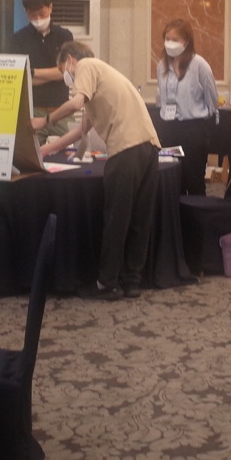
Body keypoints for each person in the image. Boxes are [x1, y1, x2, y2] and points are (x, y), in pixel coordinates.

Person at [32, 42, 160, 299]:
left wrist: (44, 121)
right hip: (149, 148)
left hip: (125, 149)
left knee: (117, 219)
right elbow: (82, 132)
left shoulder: (86, 66)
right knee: (139, 219)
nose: (67, 78)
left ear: (70, 60)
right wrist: (47, 150)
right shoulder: (104, 77)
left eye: (64, 71)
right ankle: (131, 281)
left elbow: (75, 103)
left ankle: (107, 283)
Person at [155, 19, 218, 197]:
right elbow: (161, 97)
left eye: (175, 39)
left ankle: (196, 215)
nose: (170, 43)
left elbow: (212, 99)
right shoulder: (162, 66)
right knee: (172, 180)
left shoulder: (199, 65)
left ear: (186, 41)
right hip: (168, 128)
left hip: (193, 130)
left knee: (194, 181)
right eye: (167, 39)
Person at [9, 0, 74, 134]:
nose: (38, 19)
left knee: (68, 146)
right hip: (32, 110)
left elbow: (67, 71)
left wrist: (32, 72)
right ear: (26, 12)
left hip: (61, 109)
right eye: (33, 15)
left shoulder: (64, 35)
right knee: (33, 148)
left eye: (42, 14)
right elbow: (20, 79)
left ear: (50, 8)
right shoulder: (18, 39)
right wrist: (55, 73)